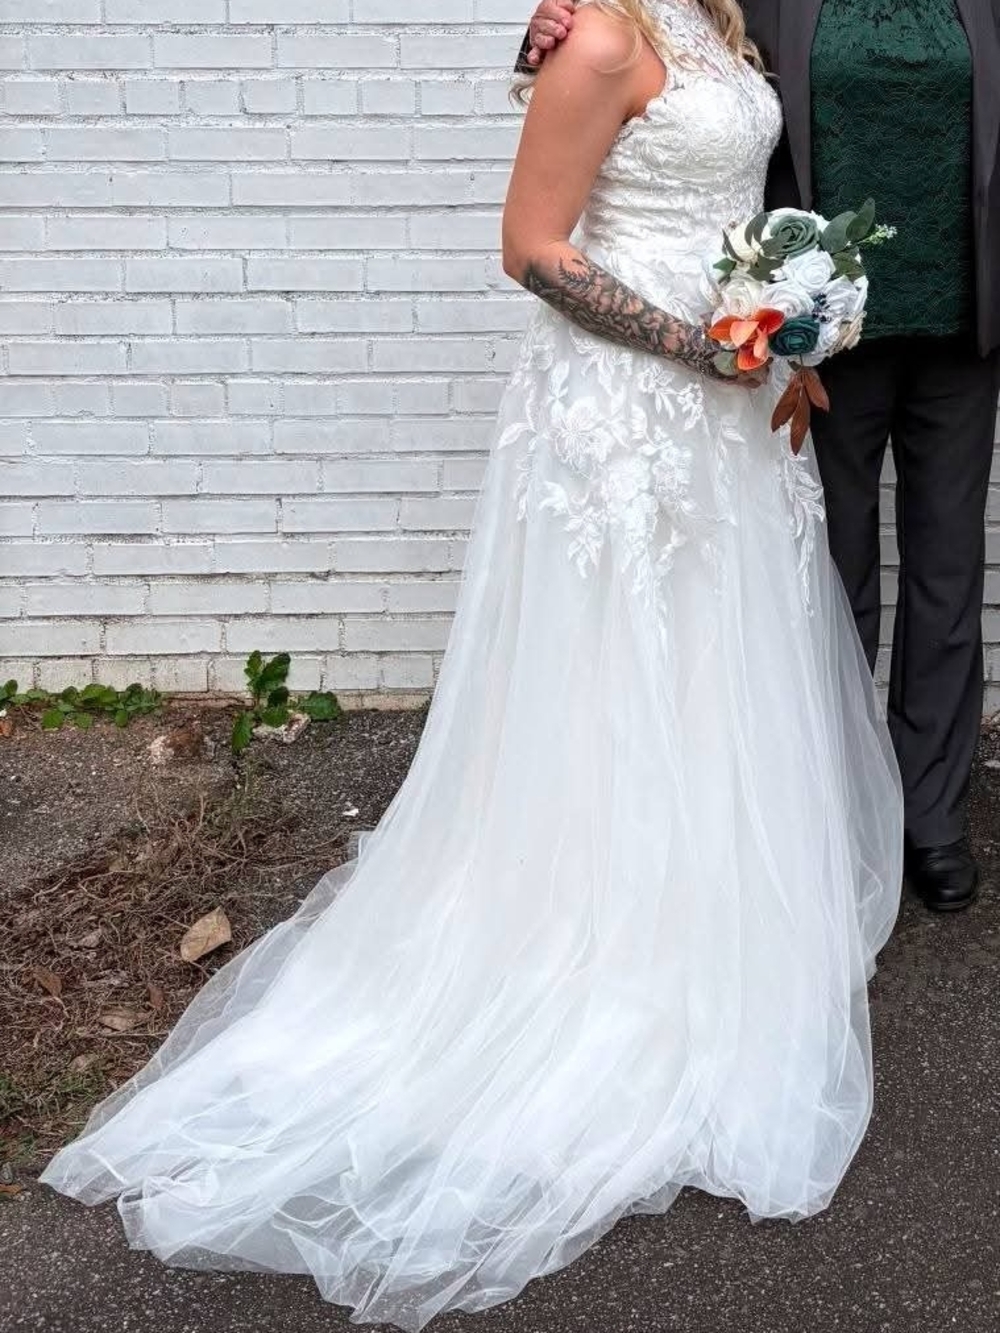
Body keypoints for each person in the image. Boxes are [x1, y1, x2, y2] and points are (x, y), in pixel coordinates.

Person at [40, 4, 902, 1329]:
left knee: (717, 668)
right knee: (617, 677)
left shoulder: (724, 26)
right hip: (630, 410)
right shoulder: (600, 39)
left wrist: (780, 316)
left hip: (730, 417)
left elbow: (742, 194)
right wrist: (701, 348)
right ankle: (603, 951)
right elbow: (531, 246)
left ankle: (712, 918)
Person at [522, 0, 1000, 913]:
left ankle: (932, 817)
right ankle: (829, 808)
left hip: (961, 330)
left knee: (947, 575)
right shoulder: (762, 0)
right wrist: (546, 33)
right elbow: (664, 50)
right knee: (822, 575)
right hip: (815, 345)